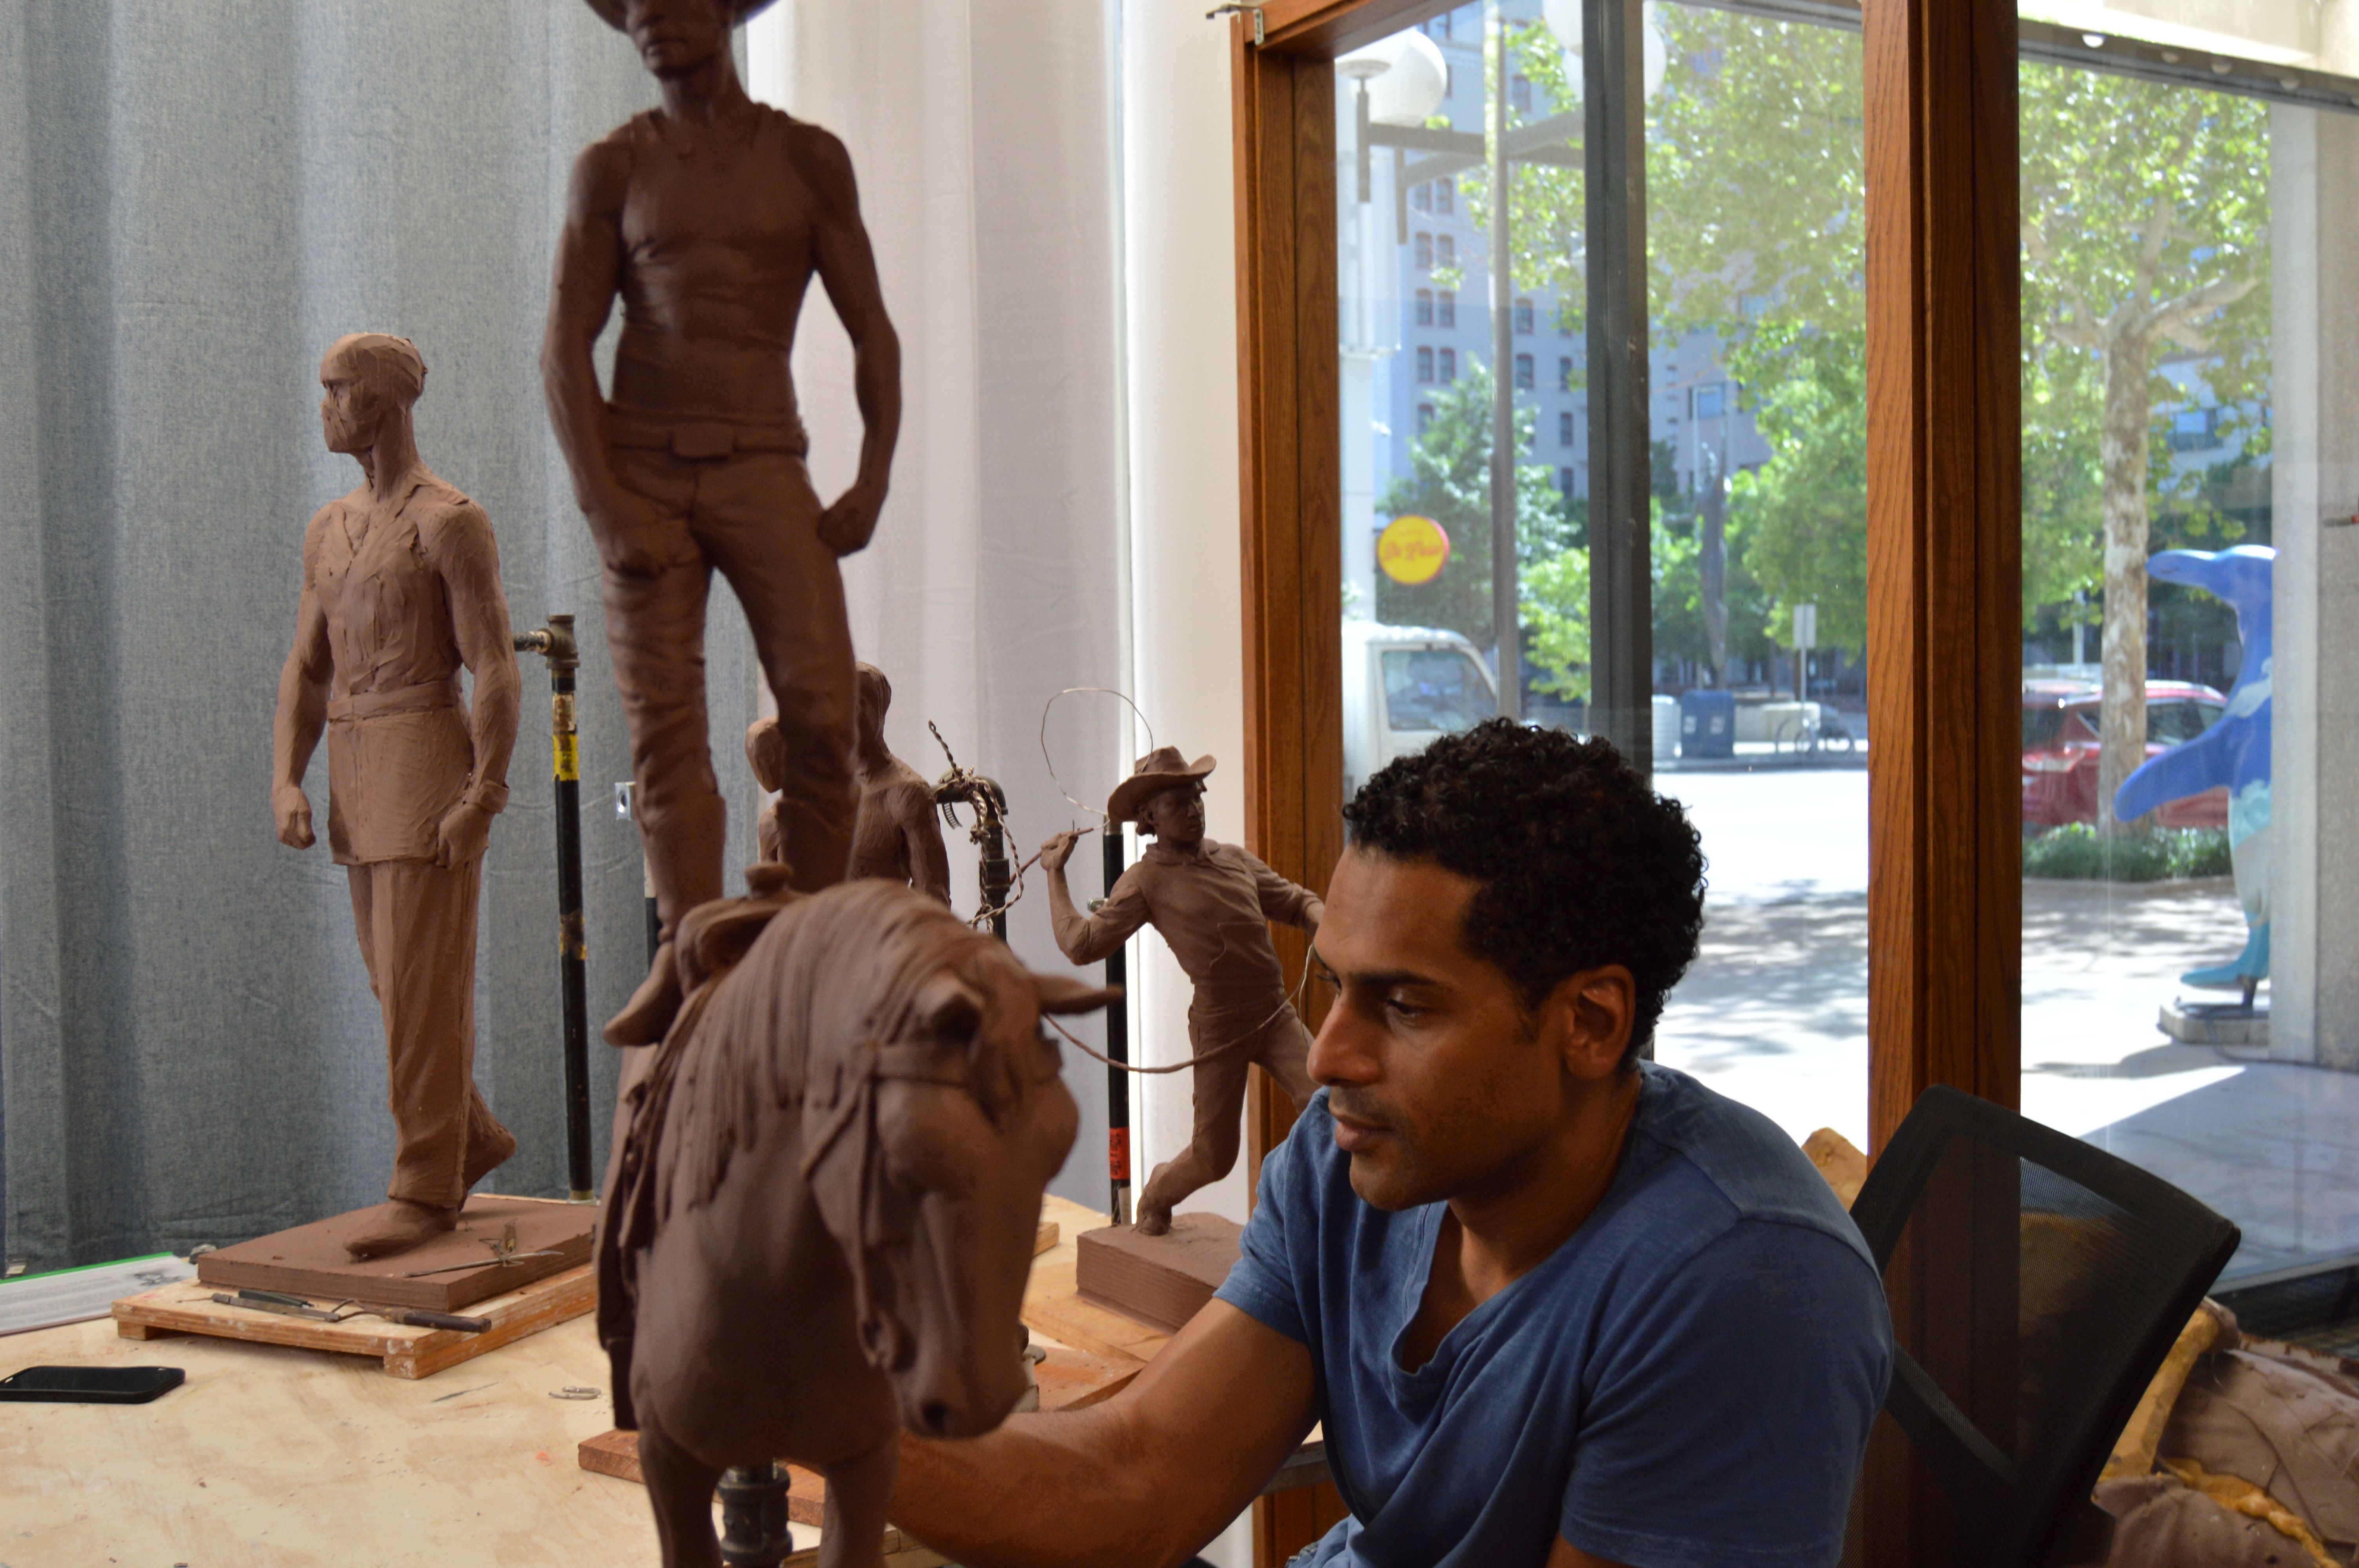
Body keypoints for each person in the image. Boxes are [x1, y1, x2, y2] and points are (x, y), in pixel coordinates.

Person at [902, 720, 1893, 1567]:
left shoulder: (1743, 1282)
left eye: (1406, 1006)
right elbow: (1138, 1471)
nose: (1327, 1056)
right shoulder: (1341, 1165)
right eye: (1336, 986)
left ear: (1588, 1022)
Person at [543, 0, 901, 1047]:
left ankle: (812, 945)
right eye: (633, 7)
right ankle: (687, 949)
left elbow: (871, 332)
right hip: (644, 467)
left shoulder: (807, 161)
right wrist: (606, 505)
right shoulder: (612, 169)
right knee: (664, 728)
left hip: (763, 463)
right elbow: (563, 348)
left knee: (823, 711)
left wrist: (873, 478)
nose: (651, 19)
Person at [273, 334, 523, 1260]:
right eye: (325, 388)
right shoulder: (327, 529)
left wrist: (482, 793)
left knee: (424, 989)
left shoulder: (450, 522)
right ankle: (473, 1135)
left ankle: (423, 1184)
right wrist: (285, 776)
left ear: (386, 400)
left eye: (340, 389)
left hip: (425, 759)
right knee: (393, 984)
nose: (327, 406)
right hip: (355, 766)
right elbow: (307, 668)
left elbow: (495, 666)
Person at [1041, 748, 1319, 1235]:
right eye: (1177, 803)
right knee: (1214, 1158)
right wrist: (1055, 873)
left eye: (1196, 797)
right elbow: (1081, 944)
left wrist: (1326, 922)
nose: (1193, 810)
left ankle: (1313, 1219)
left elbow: (1296, 902)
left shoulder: (1234, 859)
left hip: (1274, 1012)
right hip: (1220, 1025)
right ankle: (1155, 1197)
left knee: (1326, 1099)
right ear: (1149, 817)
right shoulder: (1145, 881)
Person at [751, 663, 951, 900]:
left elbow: (933, 895)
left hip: (875, 922)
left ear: (880, 710)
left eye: (857, 703)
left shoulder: (905, 795)